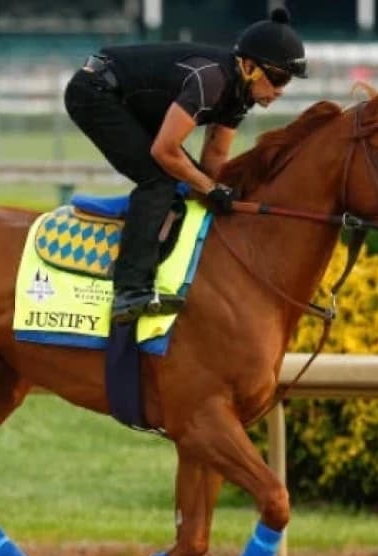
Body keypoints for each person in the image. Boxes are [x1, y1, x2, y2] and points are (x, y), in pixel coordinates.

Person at [64, 8, 308, 323]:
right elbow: (165, 151)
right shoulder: (212, 79)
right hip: (94, 91)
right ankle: (129, 290)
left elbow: (215, 159)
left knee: (185, 184)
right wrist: (210, 188)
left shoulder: (240, 95)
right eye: (277, 78)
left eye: (286, 81)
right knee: (160, 181)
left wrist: (224, 195)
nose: (279, 90)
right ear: (249, 67)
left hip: (129, 97)